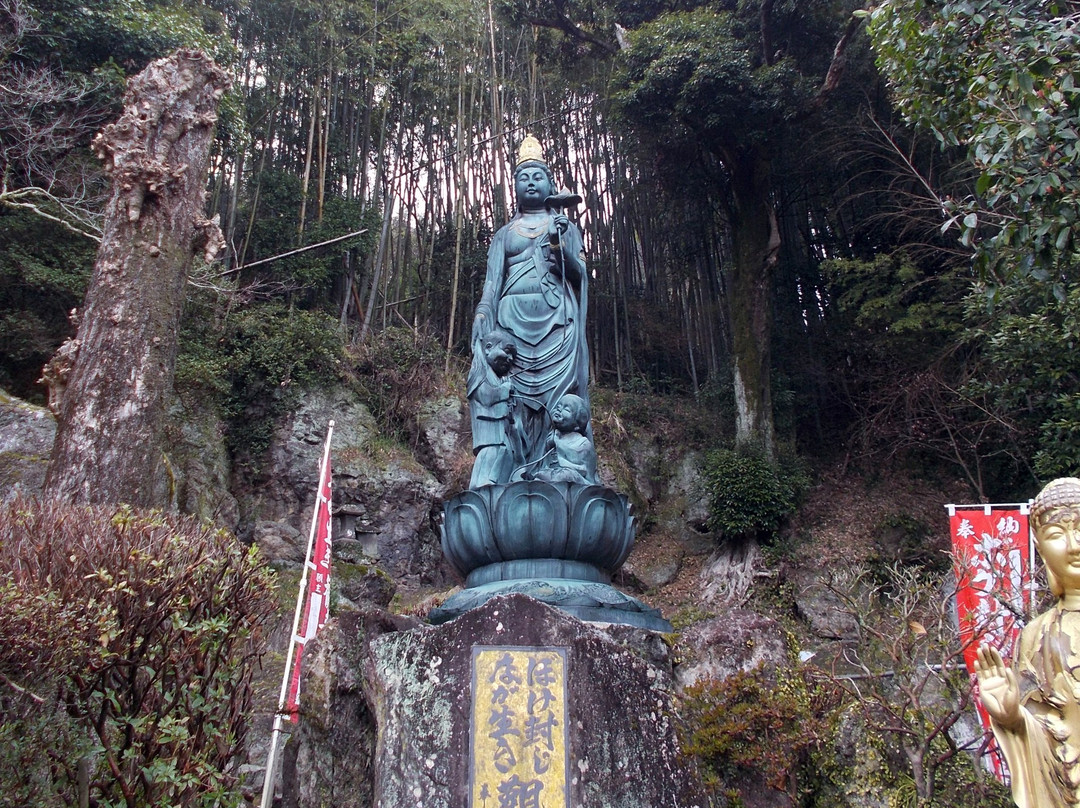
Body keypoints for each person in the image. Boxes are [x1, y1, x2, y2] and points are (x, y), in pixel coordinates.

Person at [467, 134, 590, 486]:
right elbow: (492, 283)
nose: (532, 183)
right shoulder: (505, 235)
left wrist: (561, 250)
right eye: (524, 177)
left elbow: (580, 275)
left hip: (557, 327)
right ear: (514, 187)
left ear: (550, 184)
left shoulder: (564, 227)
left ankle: (560, 467)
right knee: (514, 405)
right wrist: (480, 314)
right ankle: (512, 473)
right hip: (511, 332)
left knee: (560, 403)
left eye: (539, 177)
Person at [975, 476, 1080, 808]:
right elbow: (1042, 731)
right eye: (1056, 535)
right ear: (1040, 548)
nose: (1074, 543)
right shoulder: (1037, 635)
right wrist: (1011, 716)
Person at [468, 329, 519, 488]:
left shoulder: (498, 378)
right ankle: (481, 487)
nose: (510, 358)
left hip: (501, 431)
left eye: (513, 356)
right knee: (490, 456)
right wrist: (504, 390)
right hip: (488, 433)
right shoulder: (479, 372)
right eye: (507, 351)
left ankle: (495, 487)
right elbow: (485, 396)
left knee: (505, 455)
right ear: (488, 348)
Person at [533, 394, 598, 485]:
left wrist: (557, 443)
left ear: (577, 425)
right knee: (539, 476)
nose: (559, 409)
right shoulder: (554, 435)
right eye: (558, 406)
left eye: (566, 409)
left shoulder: (582, 442)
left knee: (566, 475)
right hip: (554, 472)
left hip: (574, 476)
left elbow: (577, 457)